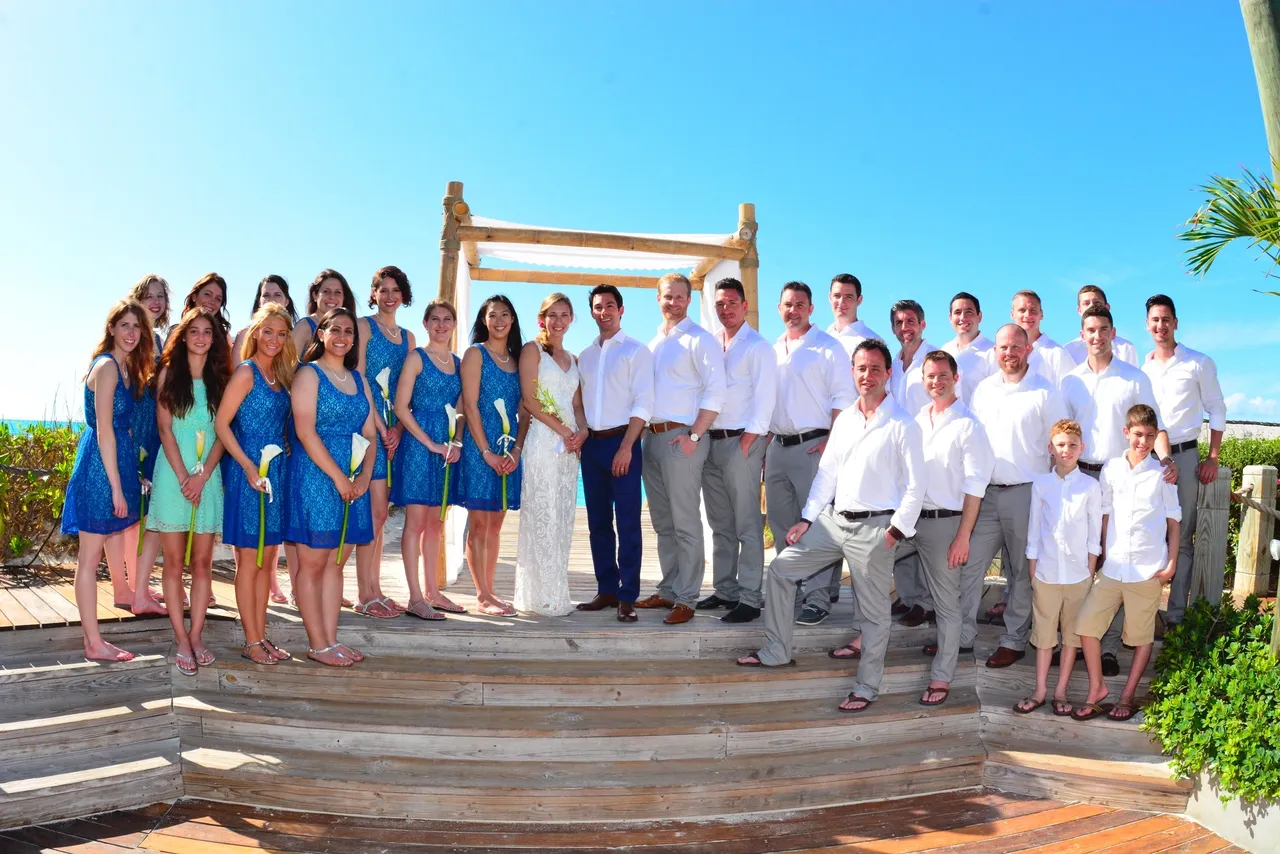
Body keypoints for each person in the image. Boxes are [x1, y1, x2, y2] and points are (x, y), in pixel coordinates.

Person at [738, 340, 924, 716]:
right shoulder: (846, 421)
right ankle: (776, 651)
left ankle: (867, 687)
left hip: (876, 529)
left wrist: (894, 531)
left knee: (873, 615)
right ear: (853, 373)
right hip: (832, 521)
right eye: (861, 368)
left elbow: (916, 487)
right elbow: (827, 473)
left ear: (888, 373)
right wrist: (807, 518)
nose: (867, 375)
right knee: (781, 570)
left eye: (875, 368)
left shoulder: (903, 423)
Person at [1061, 304, 1175, 673]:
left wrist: (1166, 464)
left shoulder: (1133, 378)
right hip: (1080, 477)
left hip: (1119, 478)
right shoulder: (1070, 380)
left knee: (1114, 559)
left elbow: (1154, 427)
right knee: (1081, 555)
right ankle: (1075, 639)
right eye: (1090, 330)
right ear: (1082, 335)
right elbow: (1063, 432)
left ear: (1113, 333)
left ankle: (1108, 648)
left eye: (1103, 329)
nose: (1096, 336)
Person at [883, 350, 992, 706]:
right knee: (870, 563)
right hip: (910, 519)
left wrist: (963, 536)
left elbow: (976, 487)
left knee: (947, 606)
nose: (936, 381)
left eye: (943, 375)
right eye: (930, 376)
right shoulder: (917, 419)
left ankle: (942, 676)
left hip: (946, 524)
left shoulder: (970, 425)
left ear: (955, 378)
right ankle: (864, 640)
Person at [967, 324, 1068, 669]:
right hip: (984, 494)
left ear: (1028, 350)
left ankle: (1013, 641)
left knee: (1022, 572)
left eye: (1015, 347)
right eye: (1003, 347)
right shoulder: (982, 390)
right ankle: (961, 637)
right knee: (969, 566)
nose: (1008, 353)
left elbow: (1058, 446)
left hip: (1027, 493)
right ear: (995, 351)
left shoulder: (1046, 392)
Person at [1073, 404, 1180, 722]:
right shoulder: (1111, 469)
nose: (1143, 442)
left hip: (1148, 569)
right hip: (1114, 566)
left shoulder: (1163, 473)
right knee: (1086, 627)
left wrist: (1171, 564)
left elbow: (1174, 522)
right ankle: (1097, 689)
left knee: (1140, 637)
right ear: (1126, 433)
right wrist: (1102, 556)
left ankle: (1128, 695)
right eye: (1137, 435)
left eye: (1149, 436)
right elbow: (1104, 516)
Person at [63, 299, 154, 662]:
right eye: (126, 326)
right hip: (99, 467)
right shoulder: (107, 367)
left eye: (138, 327)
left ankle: (95, 639)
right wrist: (116, 486)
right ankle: (93, 642)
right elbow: (104, 430)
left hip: (113, 462)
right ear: (112, 328)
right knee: (88, 558)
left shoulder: (125, 368)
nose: (132, 333)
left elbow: (121, 430)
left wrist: (131, 475)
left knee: (93, 554)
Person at [286, 307, 377, 667]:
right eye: (334, 329)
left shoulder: (360, 380)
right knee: (312, 563)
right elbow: (305, 432)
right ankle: (317, 643)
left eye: (349, 331)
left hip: (354, 479)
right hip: (316, 475)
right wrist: (339, 477)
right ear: (320, 334)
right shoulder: (309, 374)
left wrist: (366, 476)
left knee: (336, 563)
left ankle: (331, 639)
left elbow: (370, 434)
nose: (342, 336)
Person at [636, 272, 726, 625]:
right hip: (651, 438)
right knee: (663, 522)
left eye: (678, 296)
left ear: (689, 300)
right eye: (666, 296)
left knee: (686, 521)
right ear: (657, 299)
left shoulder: (700, 340)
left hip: (681, 438)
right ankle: (669, 589)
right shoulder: (655, 341)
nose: (672, 302)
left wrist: (694, 436)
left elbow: (716, 391)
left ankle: (687, 597)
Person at [769, 282, 857, 625]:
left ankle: (818, 597)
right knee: (780, 524)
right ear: (780, 308)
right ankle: (787, 589)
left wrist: (832, 442)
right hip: (777, 446)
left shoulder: (829, 348)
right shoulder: (773, 348)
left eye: (800, 304)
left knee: (816, 525)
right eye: (788, 304)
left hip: (814, 446)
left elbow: (843, 399)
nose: (794, 310)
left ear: (811, 309)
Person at [148, 309, 229, 676]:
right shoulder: (169, 374)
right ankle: (180, 637)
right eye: (193, 331)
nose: (200, 337)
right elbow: (165, 430)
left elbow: (223, 433)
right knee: (174, 563)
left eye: (206, 332)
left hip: (207, 477)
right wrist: (184, 477)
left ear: (214, 339)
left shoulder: (221, 380)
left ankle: (197, 635)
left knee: (201, 564)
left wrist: (203, 475)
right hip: (172, 473)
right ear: (183, 337)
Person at [216, 303, 296, 664]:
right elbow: (222, 424)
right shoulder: (246, 373)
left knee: (268, 559)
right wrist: (248, 467)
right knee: (248, 561)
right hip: (248, 473)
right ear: (255, 333)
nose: (274, 339)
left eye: (281, 333)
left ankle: (261, 637)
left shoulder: (281, 377)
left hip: (274, 474)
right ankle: (250, 642)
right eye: (268, 332)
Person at [1141, 294, 1227, 628]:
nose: (1160, 326)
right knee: (1148, 533)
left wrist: (1213, 458)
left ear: (1175, 322)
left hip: (1185, 457)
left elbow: (1217, 408)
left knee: (1183, 535)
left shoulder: (1198, 363)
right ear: (1147, 325)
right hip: (1148, 459)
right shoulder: (1142, 368)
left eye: (1166, 319)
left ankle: (1175, 615)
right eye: (1154, 320)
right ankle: (1145, 615)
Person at [697, 278, 776, 624]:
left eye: (731, 303)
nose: (725, 309)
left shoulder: (758, 346)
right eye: (719, 304)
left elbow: (766, 396)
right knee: (719, 523)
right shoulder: (712, 343)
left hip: (741, 441)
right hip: (710, 442)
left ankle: (749, 597)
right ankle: (725, 589)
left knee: (746, 524)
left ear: (745, 305)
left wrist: (751, 439)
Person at [575, 285, 654, 622]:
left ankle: (627, 596)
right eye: (597, 306)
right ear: (591, 312)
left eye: (610, 305)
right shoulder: (586, 355)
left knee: (628, 523)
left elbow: (644, 403)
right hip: (591, 445)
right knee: (597, 522)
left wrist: (626, 447)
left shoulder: (637, 351)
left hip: (624, 442)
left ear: (621, 310)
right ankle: (606, 588)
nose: (604, 311)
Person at [1014, 419, 1101, 717]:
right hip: (1046, 575)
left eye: (1073, 445)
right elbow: (1034, 531)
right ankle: (1040, 690)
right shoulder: (1041, 485)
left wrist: (1089, 572)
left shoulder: (1091, 487)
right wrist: (1033, 571)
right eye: (1061, 445)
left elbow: (1093, 535)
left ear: (1082, 448)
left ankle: (1061, 690)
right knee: (1044, 635)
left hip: (1078, 575)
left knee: (1071, 637)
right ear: (1051, 448)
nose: (1067, 450)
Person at [286, 269, 358, 607]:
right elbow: (288, 371)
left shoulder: (353, 374)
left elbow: (368, 428)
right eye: (327, 291)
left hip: (344, 446)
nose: (332, 297)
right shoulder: (305, 336)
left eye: (338, 292)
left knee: (334, 556)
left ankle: (321, 604)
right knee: (311, 546)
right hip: (309, 423)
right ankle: (305, 598)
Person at [393, 300, 467, 620]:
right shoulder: (416, 358)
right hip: (418, 446)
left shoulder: (460, 363)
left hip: (447, 449)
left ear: (453, 324)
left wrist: (457, 442)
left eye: (447, 319)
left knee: (437, 523)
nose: (441, 324)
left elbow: (462, 408)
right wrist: (430, 443)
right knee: (416, 523)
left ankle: (433, 591)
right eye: (434, 319)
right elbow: (400, 407)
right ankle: (414, 597)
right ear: (425, 323)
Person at [514, 293, 587, 616]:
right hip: (544, 440)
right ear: (541, 318)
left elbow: (578, 405)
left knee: (561, 516)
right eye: (552, 314)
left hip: (570, 446)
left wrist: (581, 432)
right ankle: (537, 596)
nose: (558, 321)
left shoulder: (574, 358)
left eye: (564, 315)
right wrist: (562, 431)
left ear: (571, 319)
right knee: (542, 512)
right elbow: (530, 400)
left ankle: (557, 592)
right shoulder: (532, 350)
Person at [459, 295, 529, 617]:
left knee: (496, 526)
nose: (499, 320)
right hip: (480, 448)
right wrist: (486, 451)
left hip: (509, 450)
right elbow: (470, 406)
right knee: (479, 524)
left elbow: (525, 410)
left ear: (513, 320)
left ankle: (491, 590)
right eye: (492, 315)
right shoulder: (476, 354)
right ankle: (482, 595)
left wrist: (515, 450)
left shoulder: (518, 360)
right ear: (484, 320)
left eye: (505, 314)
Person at [352, 266, 414, 619]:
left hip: (395, 433)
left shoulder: (408, 338)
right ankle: (365, 593)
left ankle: (375, 588)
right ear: (373, 293)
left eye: (395, 290)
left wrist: (398, 430)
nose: (389, 296)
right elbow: (360, 377)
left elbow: (408, 389)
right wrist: (379, 426)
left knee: (381, 512)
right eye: (383, 290)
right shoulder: (364, 326)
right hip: (368, 427)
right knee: (372, 513)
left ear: (403, 295)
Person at [886, 299, 946, 627]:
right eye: (899, 323)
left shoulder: (934, 359)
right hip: (897, 456)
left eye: (910, 321)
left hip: (927, 454)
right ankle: (907, 596)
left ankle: (925, 601)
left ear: (922, 324)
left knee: (923, 527)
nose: (904, 327)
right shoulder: (893, 363)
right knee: (900, 522)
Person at [122, 273, 170, 617]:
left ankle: (138, 583)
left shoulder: (158, 339)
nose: (155, 302)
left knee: (143, 512)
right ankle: (131, 588)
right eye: (148, 296)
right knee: (132, 514)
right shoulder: (133, 338)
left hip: (153, 429)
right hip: (132, 427)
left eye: (160, 297)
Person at [1007, 290, 1076, 387]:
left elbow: (1070, 394)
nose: (1027, 315)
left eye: (1033, 310)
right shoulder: (1004, 355)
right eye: (1022, 310)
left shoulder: (1057, 354)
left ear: (1041, 314)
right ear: (1012, 314)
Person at [231, 275, 299, 371]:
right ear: (259, 301)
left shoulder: (295, 335)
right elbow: (237, 375)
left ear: (286, 301)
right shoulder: (245, 334)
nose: (272, 299)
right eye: (266, 295)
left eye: (277, 295)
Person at [1063, 285, 1138, 367]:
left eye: (1097, 302)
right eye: (1086, 303)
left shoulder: (1126, 348)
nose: (1091, 306)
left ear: (1107, 307)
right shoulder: (1068, 350)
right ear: (1079, 310)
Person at [941, 291, 994, 406]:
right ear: (950, 318)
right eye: (957, 312)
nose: (963, 318)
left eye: (969, 312)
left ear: (979, 316)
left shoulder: (993, 352)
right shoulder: (945, 351)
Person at [826, 273, 885, 359]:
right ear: (830, 298)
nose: (841, 302)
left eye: (848, 297)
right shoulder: (823, 336)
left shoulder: (873, 342)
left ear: (859, 300)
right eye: (837, 296)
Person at [182, 273, 232, 339]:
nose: (212, 301)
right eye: (207, 294)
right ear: (194, 296)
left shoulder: (224, 338)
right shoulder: (176, 332)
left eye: (218, 299)